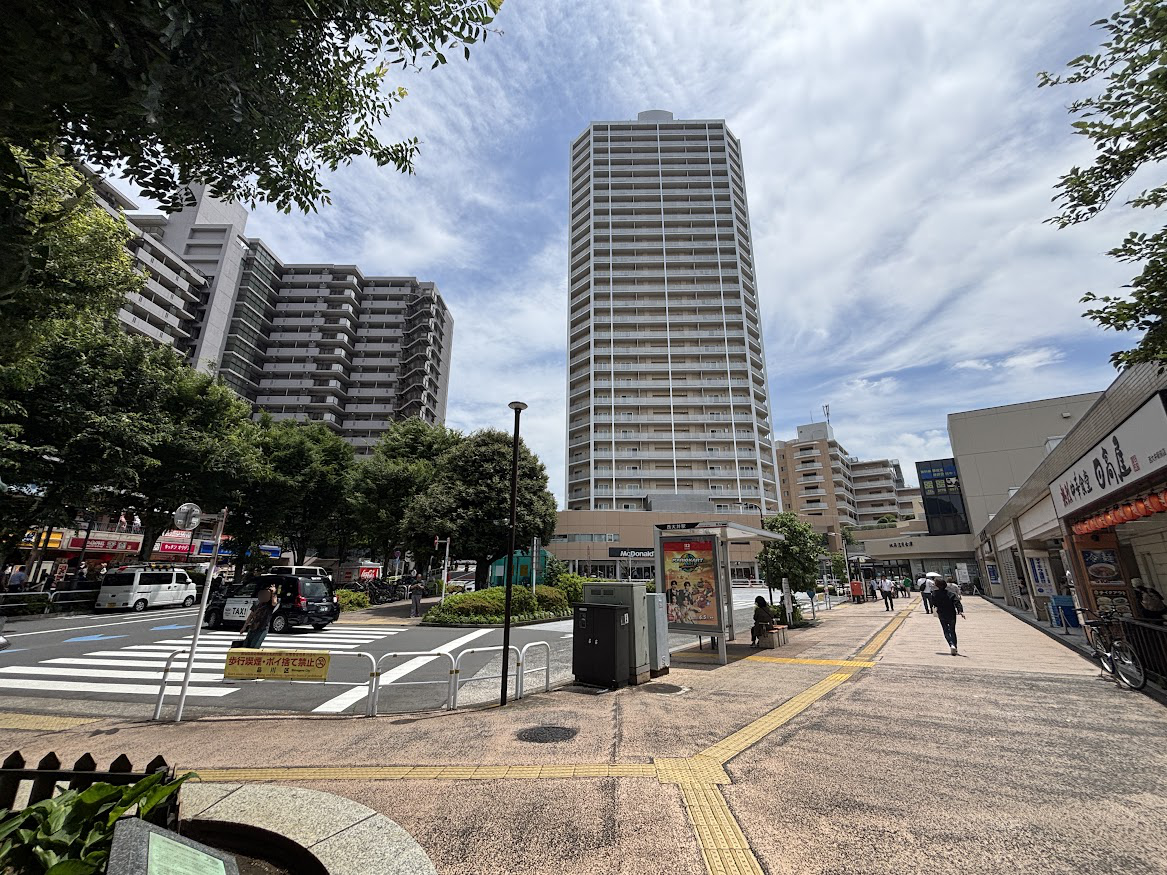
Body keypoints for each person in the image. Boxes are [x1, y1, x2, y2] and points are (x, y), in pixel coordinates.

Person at [932, 579, 965, 655]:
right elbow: (957, 603)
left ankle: (951, 644)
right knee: (952, 630)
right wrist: (960, 611)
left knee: (946, 630)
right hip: (951, 613)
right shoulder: (951, 594)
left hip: (942, 613)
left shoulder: (934, 594)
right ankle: (955, 647)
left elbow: (934, 604)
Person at [241, 583, 279, 649]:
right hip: (253, 627)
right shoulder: (257, 603)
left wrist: (274, 592)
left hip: (263, 628)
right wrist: (244, 627)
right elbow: (251, 615)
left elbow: (274, 603)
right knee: (246, 645)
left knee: (254, 646)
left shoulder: (269, 604)